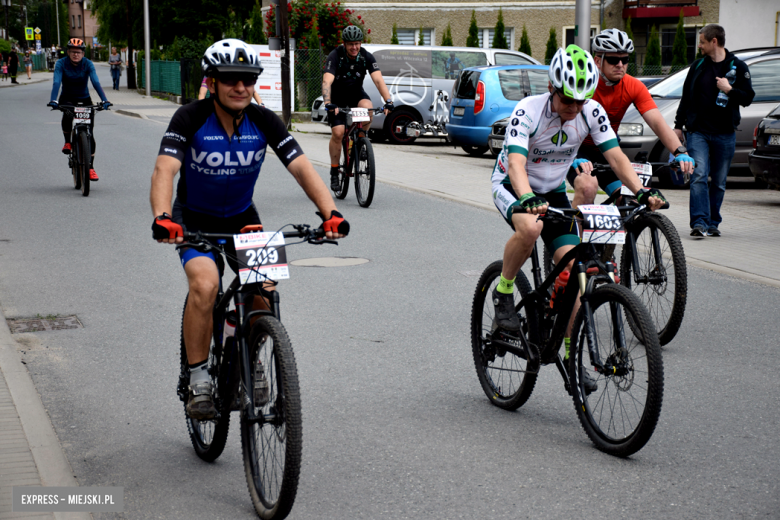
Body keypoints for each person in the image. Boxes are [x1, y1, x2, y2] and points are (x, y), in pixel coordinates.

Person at [150, 38, 350, 420]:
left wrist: (331, 213)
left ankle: (247, 355)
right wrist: (163, 218)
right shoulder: (190, 118)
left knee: (264, 292)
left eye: (247, 79)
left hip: (243, 217)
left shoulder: (263, 119)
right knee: (205, 285)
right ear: (212, 81)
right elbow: (165, 169)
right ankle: (199, 378)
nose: (240, 87)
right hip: (194, 219)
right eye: (230, 79)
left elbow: (302, 167)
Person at [491, 45, 667, 388]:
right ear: (552, 90)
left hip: (553, 189)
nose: (573, 109)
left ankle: (570, 357)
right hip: (514, 185)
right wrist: (526, 197)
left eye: (580, 101)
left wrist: (641, 192)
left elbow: (615, 157)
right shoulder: (528, 110)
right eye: (567, 100)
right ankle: (503, 290)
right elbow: (515, 163)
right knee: (529, 227)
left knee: (575, 272)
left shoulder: (591, 111)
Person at [568, 28, 694, 210]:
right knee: (588, 187)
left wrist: (679, 151)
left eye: (625, 59)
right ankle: (574, 237)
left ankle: (623, 237)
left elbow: (657, 122)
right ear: (597, 61)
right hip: (577, 148)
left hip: (607, 149)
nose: (620, 64)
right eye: (613, 60)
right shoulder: (586, 84)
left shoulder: (633, 86)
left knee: (629, 199)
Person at [674, 24, 754, 237]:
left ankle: (712, 222)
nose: (699, 46)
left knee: (718, 181)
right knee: (698, 175)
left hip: (725, 133)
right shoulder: (698, 66)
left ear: (714, 41)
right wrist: (678, 125)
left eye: (701, 42)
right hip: (697, 132)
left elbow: (748, 97)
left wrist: (730, 90)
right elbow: (686, 97)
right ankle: (699, 222)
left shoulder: (738, 66)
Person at [322, 25, 394, 191]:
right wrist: (327, 103)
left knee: (368, 109)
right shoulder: (336, 56)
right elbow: (327, 81)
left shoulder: (366, 56)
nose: (354, 47)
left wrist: (388, 100)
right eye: (350, 44)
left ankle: (361, 139)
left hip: (356, 96)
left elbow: (378, 80)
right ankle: (334, 171)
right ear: (344, 44)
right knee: (338, 132)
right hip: (337, 99)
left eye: (357, 43)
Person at [47, 38, 111, 182]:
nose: (76, 54)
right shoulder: (61, 63)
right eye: (73, 52)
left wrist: (104, 99)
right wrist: (53, 100)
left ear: (83, 53)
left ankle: (90, 167)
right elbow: (57, 81)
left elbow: (95, 81)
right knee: (68, 114)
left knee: (89, 132)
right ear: (68, 52)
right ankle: (67, 142)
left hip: (84, 98)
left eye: (79, 52)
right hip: (67, 98)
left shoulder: (87, 64)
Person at [198, 74, 264, 105]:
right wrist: (200, 107)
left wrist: (261, 104)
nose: (240, 89)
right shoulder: (208, 76)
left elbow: (254, 92)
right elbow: (202, 93)